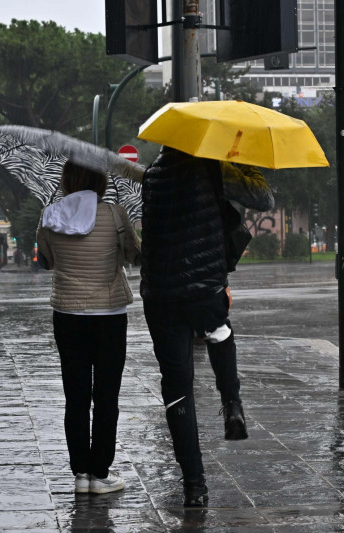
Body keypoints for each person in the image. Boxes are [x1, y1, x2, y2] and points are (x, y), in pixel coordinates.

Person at [139, 146, 273, 507]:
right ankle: (231, 401)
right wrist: (241, 159)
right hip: (206, 289)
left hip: (161, 296)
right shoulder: (214, 168)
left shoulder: (152, 175)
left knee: (177, 387)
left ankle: (194, 485)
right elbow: (263, 198)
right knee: (219, 331)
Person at [36, 161, 141, 495]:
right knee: (106, 396)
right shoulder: (114, 214)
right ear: (100, 181)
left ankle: (80, 473)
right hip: (110, 315)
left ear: (66, 181)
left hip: (67, 314)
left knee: (76, 395)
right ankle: (100, 473)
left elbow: (46, 261)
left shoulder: (50, 216)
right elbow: (134, 255)